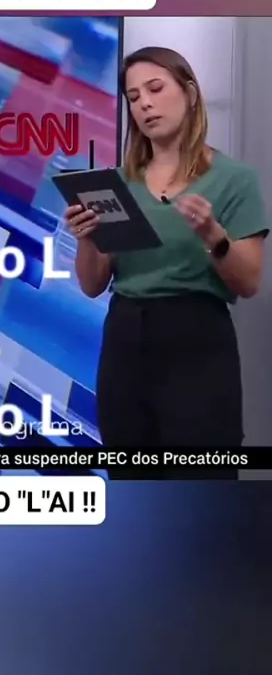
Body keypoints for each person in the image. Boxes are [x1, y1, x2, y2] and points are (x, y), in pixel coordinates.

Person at [64, 46, 269, 479]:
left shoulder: (235, 180)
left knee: (202, 490)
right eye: (134, 97)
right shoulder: (117, 184)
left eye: (155, 89)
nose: (145, 104)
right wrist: (86, 239)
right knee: (133, 484)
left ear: (190, 93)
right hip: (125, 339)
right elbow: (93, 284)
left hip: (197, 340)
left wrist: (214, 236)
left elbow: (249, 282)